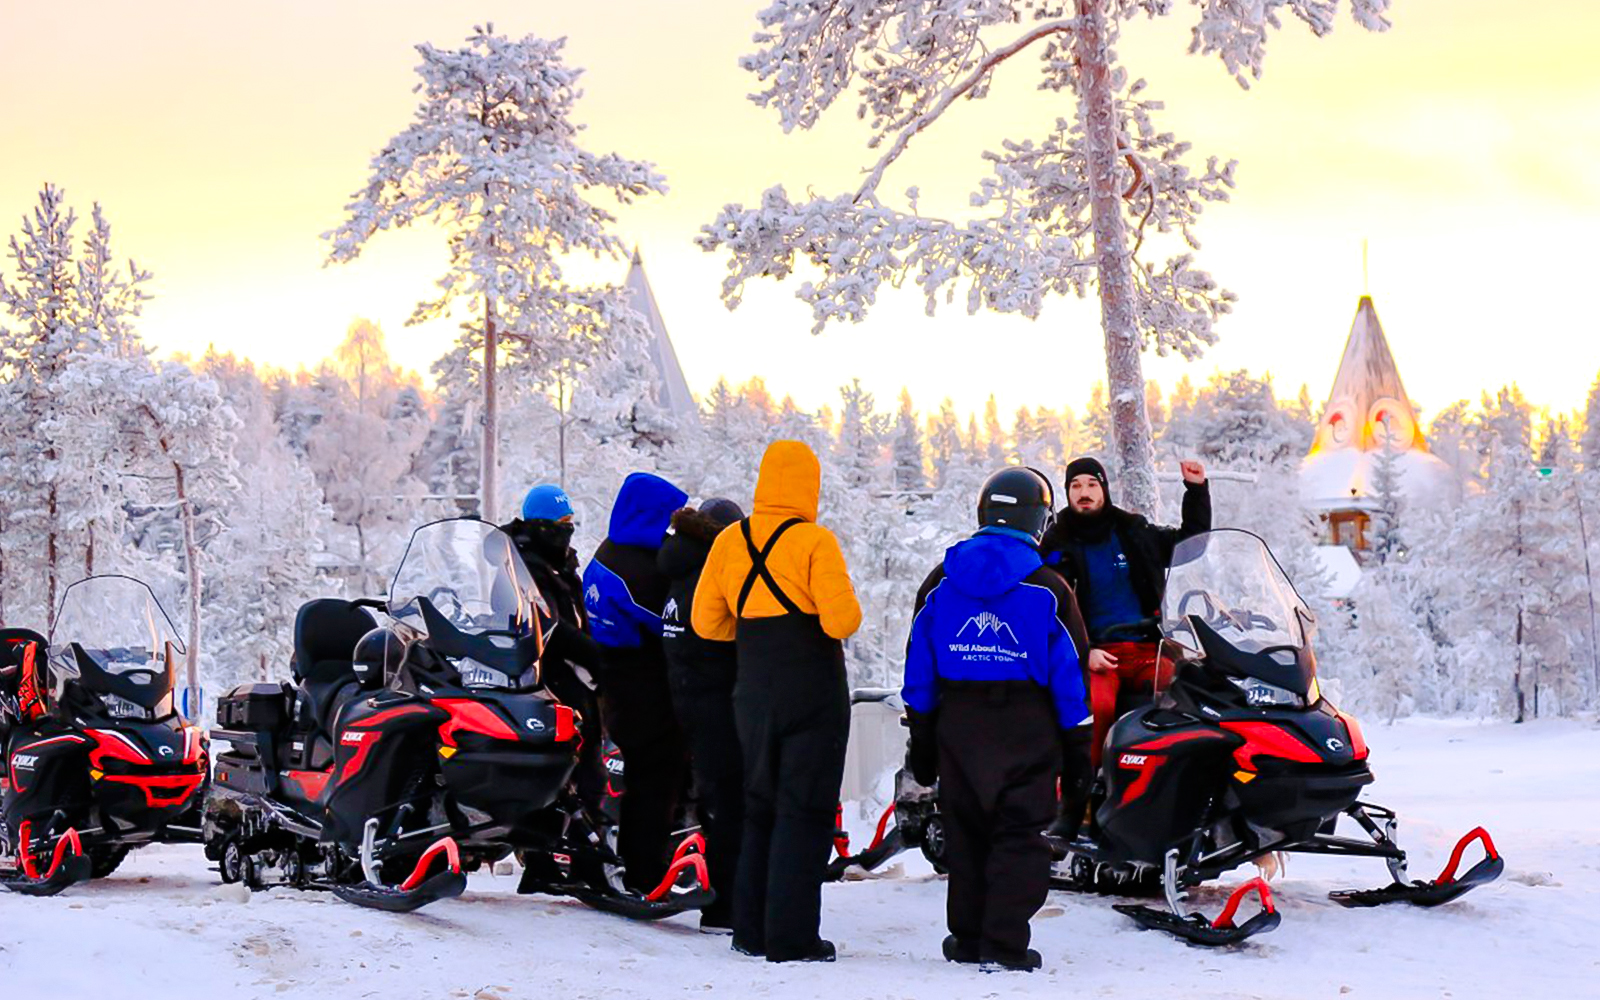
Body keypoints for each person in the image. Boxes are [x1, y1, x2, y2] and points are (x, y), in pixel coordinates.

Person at [901, 467, 1091, 973]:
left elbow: (918, 665)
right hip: (1028, 728)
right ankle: (1004, 947)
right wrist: (1079, 751)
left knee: (965, 834)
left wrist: (921, 736)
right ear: (1039, 520)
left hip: (958, 725)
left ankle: (966, 940)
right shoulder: (1049, 588)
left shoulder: (940, 582)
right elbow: (1071, 676)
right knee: (1019, 836)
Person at [692, 440, 861, 964]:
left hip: (753, 691)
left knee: (759, 807)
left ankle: (750, 930)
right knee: (804, 813)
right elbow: (842, 622)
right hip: (812, 693)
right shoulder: (815, 541)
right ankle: (792, 939)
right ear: (810, 485)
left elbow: (706, 624)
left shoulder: (728, 541)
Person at [1038, 456, 1210, 836]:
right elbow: (1048, 608)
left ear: (1104, 488)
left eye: (1091, 485)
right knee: (1094, 711)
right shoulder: (1055, 543)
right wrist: (1085, 652)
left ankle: (1169, 799)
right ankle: (1077, 805)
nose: (1084, 493)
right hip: (1097, 654)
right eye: (1076, 486)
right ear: (1067, 493)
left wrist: (1196, 491)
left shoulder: (1133, 531)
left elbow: (1190, 545)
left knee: (1183, 700)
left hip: (1151, 649)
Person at [582, 472, 691, 895]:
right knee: (654, 778)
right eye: (665, 517)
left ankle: (639, 860)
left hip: (616, 682)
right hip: (642, 685)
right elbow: (669, 618)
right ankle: (643, 871)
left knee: (644, 777)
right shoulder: (638, 569)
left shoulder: (608, 553)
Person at [658, 496, 746, 934]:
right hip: (714, 701)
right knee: (729, 802)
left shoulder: (677, 568)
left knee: (715, 798)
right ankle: (724, 905)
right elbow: (724, 644)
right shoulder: (710, 578)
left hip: (687, 696)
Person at [500, 484, 606, 813]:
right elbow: (549, 627)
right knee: (567, 763)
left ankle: (583, 832)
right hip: (543, 676)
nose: (568, 529)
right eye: (560, 522)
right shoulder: (522, 568)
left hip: (571, 671)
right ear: (539, 525)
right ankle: (566, 843)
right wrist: (597, 656)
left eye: (571, 521)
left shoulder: (558, 563)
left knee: (587, 756)